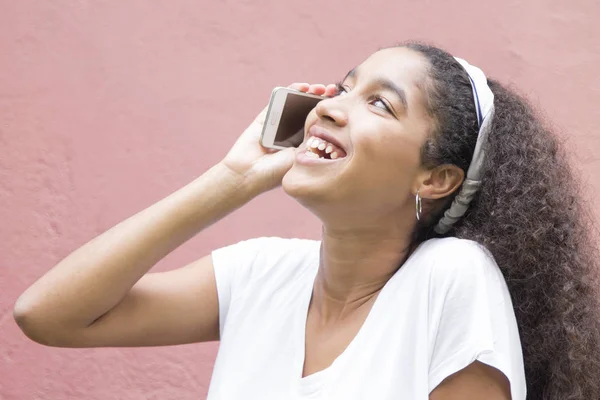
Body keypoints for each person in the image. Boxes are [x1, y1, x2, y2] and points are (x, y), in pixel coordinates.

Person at [13, 43, 600, 399]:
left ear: (434, 179)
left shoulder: (450, 278)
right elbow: (49, 315)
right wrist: (233, 179)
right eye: (341, 88)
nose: (330, 107)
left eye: (379, 103)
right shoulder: (262, 273)